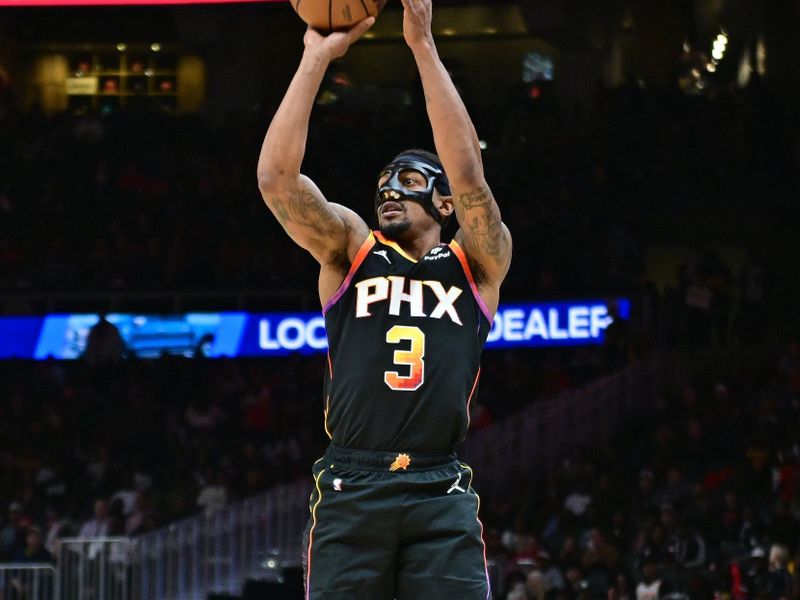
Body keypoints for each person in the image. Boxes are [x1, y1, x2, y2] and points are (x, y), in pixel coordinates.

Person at [256, 0, 512, 596]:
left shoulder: (478, 261)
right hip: (353, 482)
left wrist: (423, 45)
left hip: (439, 487)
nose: (390, 190)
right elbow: (276, 181)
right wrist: (313, 60)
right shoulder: (350, 248)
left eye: (410, 179)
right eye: (383, 184)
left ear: (445, 205)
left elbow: (470, 174)